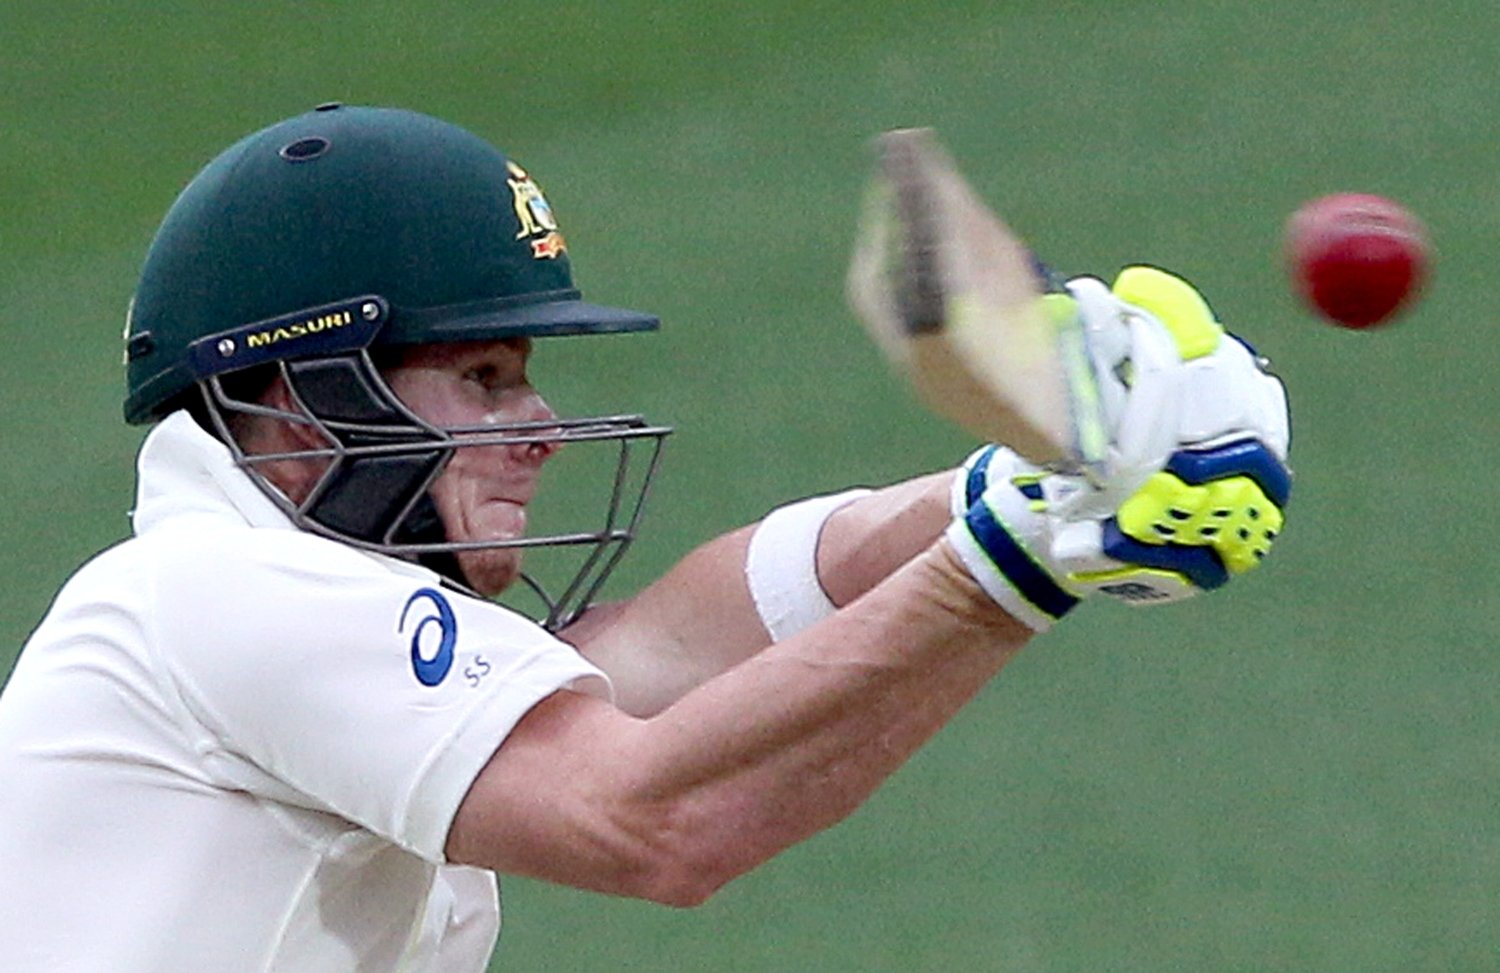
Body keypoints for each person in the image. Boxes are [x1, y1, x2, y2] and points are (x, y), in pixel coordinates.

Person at [0, 105, 1291, 972]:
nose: (542, 426)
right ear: (298, 407)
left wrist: (1034, 468)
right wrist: (1013, 560)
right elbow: (654, 816)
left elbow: (679, 644)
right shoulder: (220, 590)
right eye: (488, 376)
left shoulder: (266, 609)